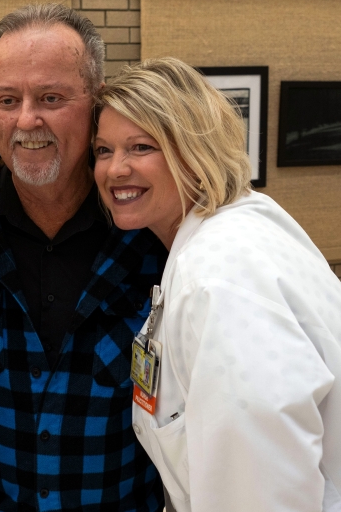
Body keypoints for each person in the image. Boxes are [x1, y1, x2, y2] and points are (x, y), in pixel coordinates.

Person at [0, 4, 167, 511]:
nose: (26, 119)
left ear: (96, 102)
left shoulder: (154, 235)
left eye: (50, 97)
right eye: (7, 99)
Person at [93, 57, 341, 511]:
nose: (114, 170)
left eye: (141, 147)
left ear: (192, 148)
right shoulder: (239, 227)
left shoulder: (218, 274)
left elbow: (260, 489)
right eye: (104, 150)